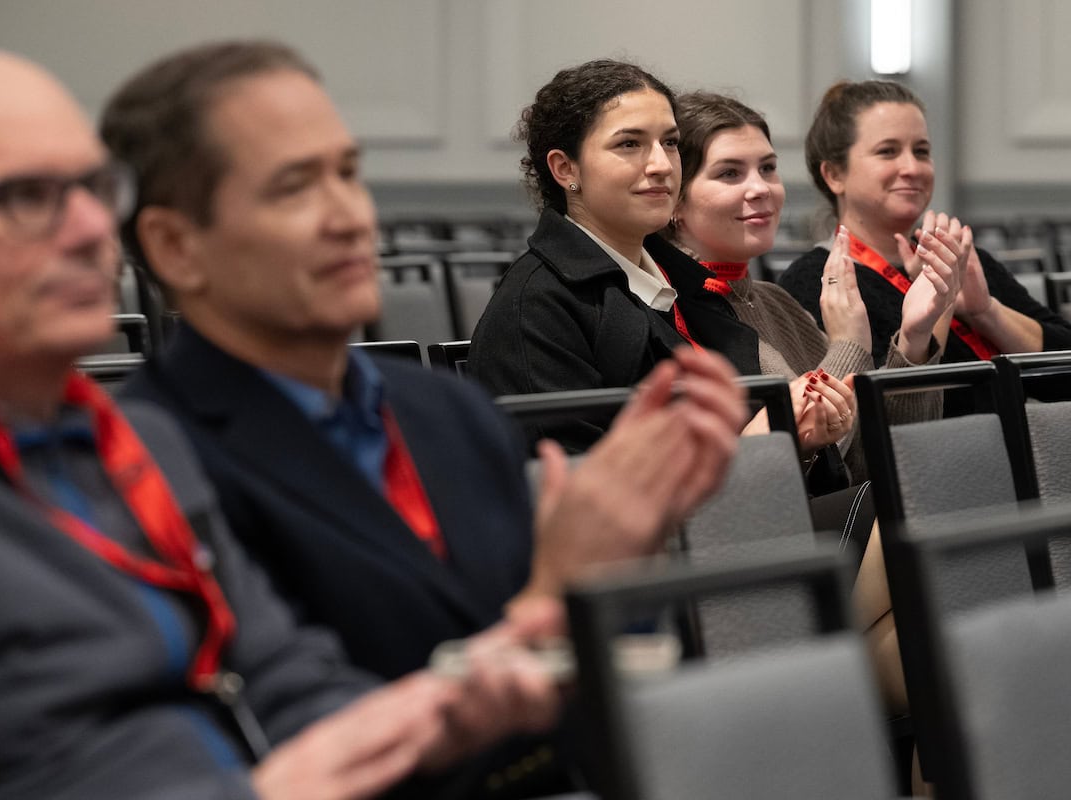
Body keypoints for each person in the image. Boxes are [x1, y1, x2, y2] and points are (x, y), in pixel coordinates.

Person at [0, 47, 574, 800]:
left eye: (91, 188)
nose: (86, 229)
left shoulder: (132, 447)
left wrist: (454, 704)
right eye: (22, 196)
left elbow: (286, 684)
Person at [102, 41, 748, 798]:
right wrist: (548, 606)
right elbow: (284, 743)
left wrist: (604, 587)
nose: (348, 216)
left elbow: (599, 700)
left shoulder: (443, 410)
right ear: (177, 246)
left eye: (346, 173)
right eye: (292, 188)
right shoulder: (143, 460)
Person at [667, 90, 962, 490]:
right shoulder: (672, 308)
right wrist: (849, 345)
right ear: (676, 201)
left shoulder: (776, 301)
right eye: (730, 173)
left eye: (768, 168)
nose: (762, 189)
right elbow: (791, 479)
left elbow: (880, 459)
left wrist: (914, 337)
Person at [466, 59, 762, 453]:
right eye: (629, 144)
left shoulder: (684, 281)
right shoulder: (537, 308)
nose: (661, 165)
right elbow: (582, 493)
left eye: (670, 142)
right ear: (565, 168)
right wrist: (756, 447)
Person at [778, 79, 1071, 415]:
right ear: (834, 175)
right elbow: (885, 425)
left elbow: (1063, 378)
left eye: (921, 151)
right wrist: (939, 308)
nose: (912, 168)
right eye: (887, 151)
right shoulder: (814, 280)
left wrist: (985, 312)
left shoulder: (959, 257)